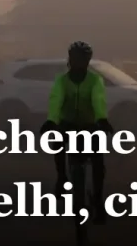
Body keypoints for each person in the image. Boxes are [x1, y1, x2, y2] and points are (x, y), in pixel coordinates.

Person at [42, 41, 112, 224]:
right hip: (67, 123)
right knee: (57, 140)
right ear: (70, 59)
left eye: (82, 59)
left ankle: (98, 200)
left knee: (98, 161)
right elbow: (56, 100)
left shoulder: (95, 80)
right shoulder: (62, 81)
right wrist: (51, 120)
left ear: (87, 61)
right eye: (75, 58)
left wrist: (102, 119)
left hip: (89, 125)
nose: (78, 63)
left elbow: (98, 100)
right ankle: (61, 178)